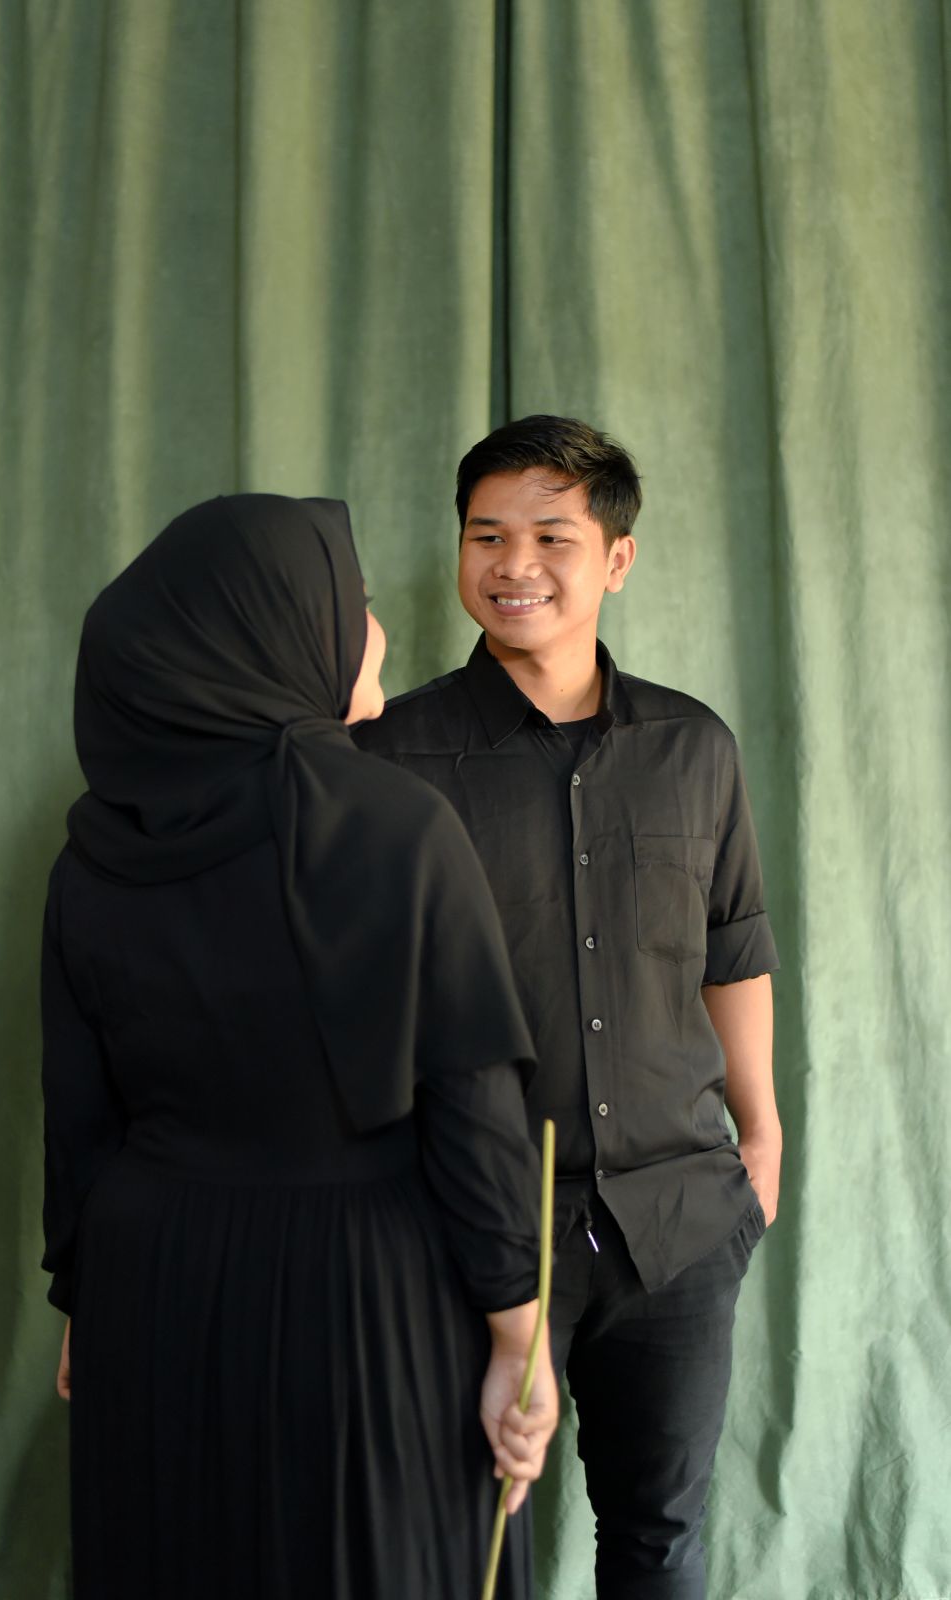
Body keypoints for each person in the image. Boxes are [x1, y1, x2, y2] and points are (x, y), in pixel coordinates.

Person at [40, 493, 558, 1600]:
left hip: (149, 1285)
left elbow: (79, 1113)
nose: (376, 631)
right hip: (358, 1298)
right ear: (273, 633)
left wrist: (87, 1297)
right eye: (354, 604)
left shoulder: (91, 858)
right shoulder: (398, 826)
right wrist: (519, 1336)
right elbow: (473, 1111)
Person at [354, 416, 782, 1599]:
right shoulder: (391, 754)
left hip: (677, 1223)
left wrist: (760, 1139)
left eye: (551, 536)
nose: (515, 564)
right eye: (486, 535)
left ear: (617, 558)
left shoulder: (694, 746)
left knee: (661, 1538)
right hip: (469, 1227)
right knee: (467, 1538)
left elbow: (733, 943)